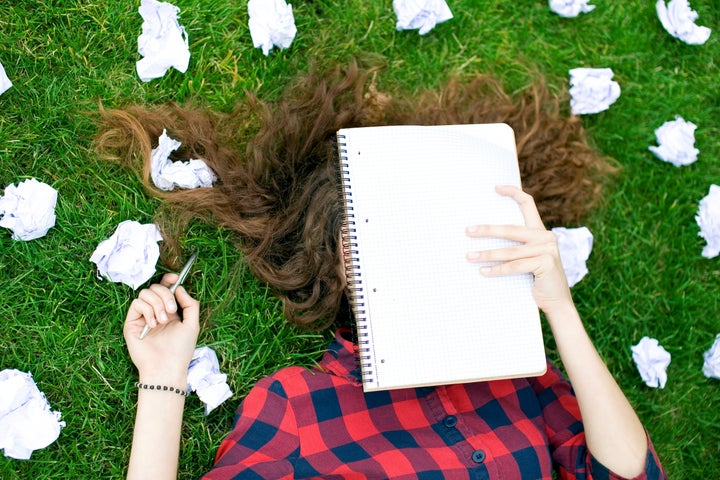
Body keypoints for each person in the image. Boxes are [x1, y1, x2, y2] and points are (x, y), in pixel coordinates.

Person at [97, 61, 666, 479]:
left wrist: (560, 309)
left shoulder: (517, 374)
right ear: (336, 261)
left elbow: (629, 472)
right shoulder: (299, 406)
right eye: (368, 228)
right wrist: (164, 375)